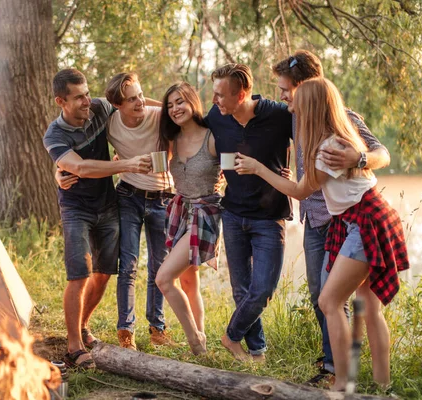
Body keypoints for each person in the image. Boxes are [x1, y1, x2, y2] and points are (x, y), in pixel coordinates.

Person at [235, 77, 409, 391]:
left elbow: (300, 191)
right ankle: (384, 387)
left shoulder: (328, 147)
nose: (289, 103)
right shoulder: (335, 137)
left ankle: (342, 384)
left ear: (311, 106)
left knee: (329, 300)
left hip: (364, 220)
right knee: (368, 307)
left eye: (295, 99)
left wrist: (260, 169)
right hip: (366, 215)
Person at [271, 50, 391, 384]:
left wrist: (359, 157)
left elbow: (383, 154)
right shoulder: (295, 117)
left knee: (334, 299)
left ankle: (342, 375)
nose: (282, 98)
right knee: (324, 298)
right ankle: (347, 371)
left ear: (307, 89)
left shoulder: (340, 121)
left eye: (286, 90)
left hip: (350, 220)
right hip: (325, 220)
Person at [57, 73, 177, 351]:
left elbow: (183, 120)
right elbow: (74, 161)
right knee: (128, 266)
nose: (139, 103)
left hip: (162, 198)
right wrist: (58, 173)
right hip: (128, 196)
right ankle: (126, 330)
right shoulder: (108, 120)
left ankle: (157, 327)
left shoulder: (158, 116)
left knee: (160, 267)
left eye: (140, 96)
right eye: (131, 99)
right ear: (117, 105)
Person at [43, 68, 152, 369]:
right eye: (78, 97)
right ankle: (73, 346)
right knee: (79, 273)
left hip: (107, 204)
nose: (87, 101)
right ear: (60, 101)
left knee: (103, 272)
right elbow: (82, 168)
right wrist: (126, 164)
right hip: (76, 208)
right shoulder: (55, 134)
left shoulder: (101, 107)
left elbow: (135, 102)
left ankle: (82, 325)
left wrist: (170, 110)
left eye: (87, 93)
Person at [205, 63, 293, 362]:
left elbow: (313, 137)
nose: (214, 101)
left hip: (269, 217)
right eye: (214, 94)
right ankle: (258, 351)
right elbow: (178, 119)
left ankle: (231, 336)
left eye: (220, 95)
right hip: (232, 215)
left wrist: (299, 175)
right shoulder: (218, 116)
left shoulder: (279, 115)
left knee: (263, 290)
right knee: (241, 291)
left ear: (241, 94)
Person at [154, 82, 222, 355]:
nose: (174, 109)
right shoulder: (171, 141)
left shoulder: (214, 137)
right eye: (169, 105)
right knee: (188, 280)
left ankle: (195, 343)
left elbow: (236, 168)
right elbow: (156, 171)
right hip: (180, 212)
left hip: (206, 214)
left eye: (180, 102)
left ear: (193, 101)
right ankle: (201, 341)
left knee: (163, 279)